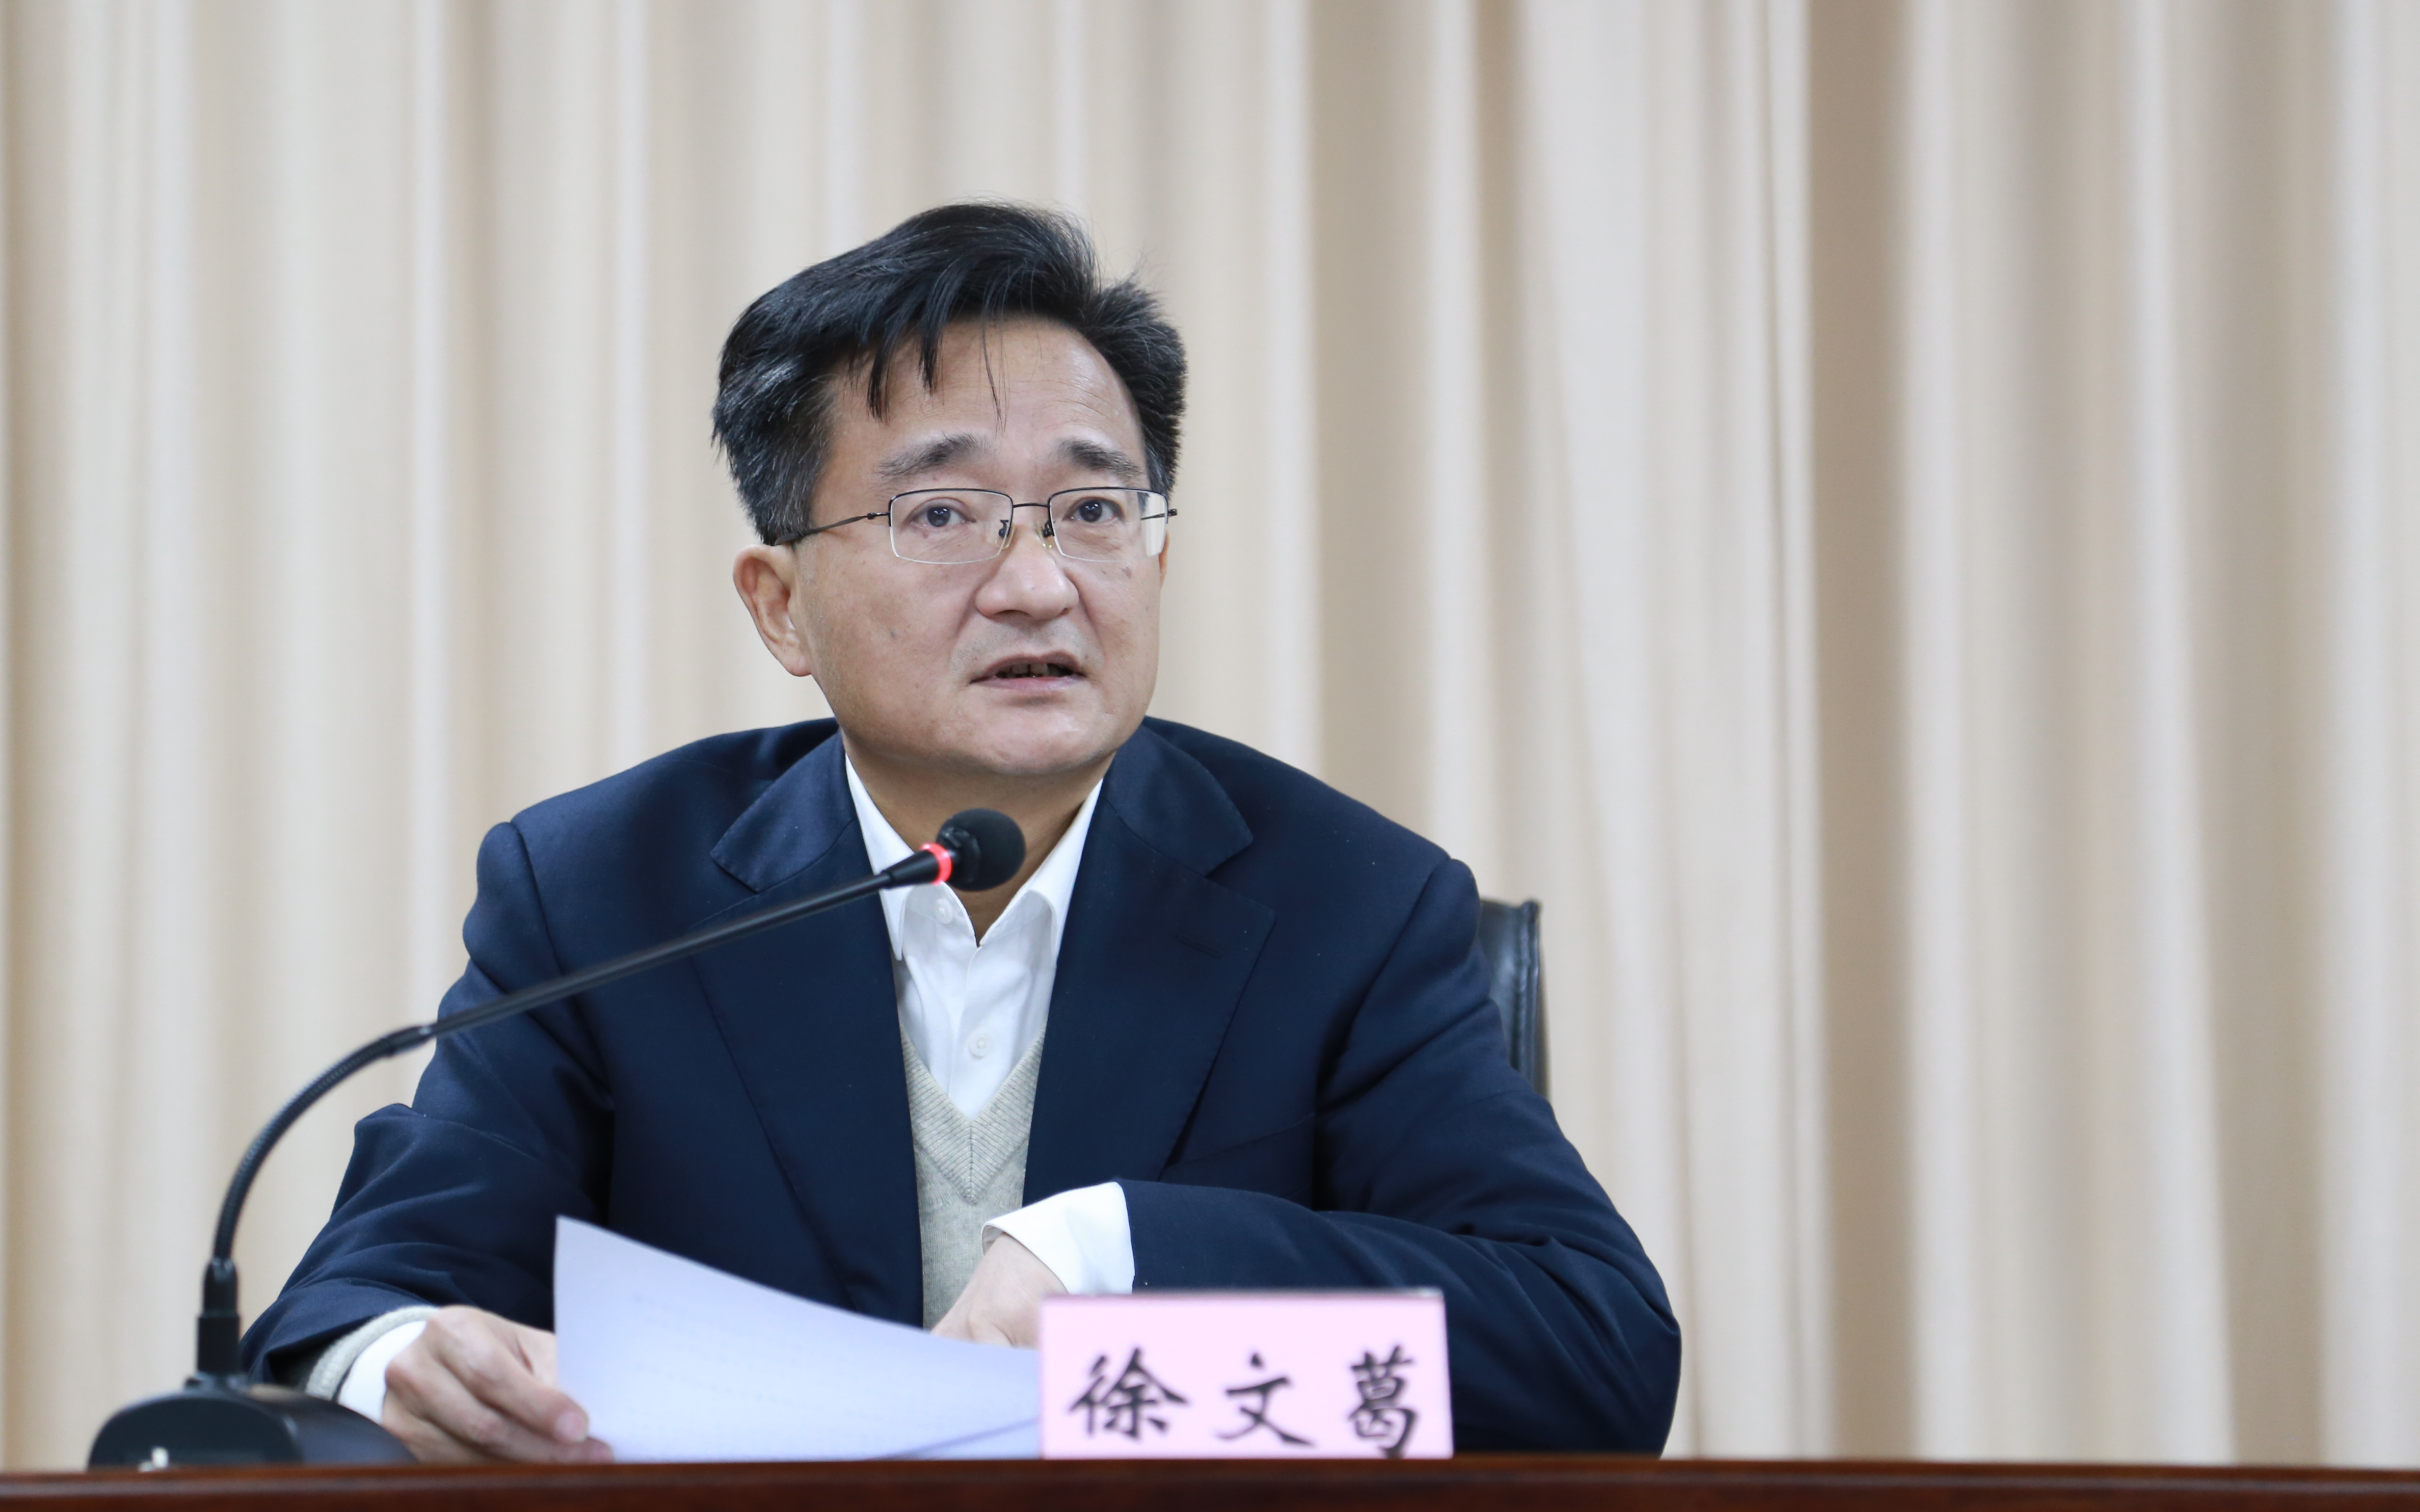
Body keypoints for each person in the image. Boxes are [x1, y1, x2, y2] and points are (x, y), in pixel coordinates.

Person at [240, 203, 1679, 1459]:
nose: (1040, 584)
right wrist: (408, 1366)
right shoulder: (606, 893)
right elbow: (360, 1298)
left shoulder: (1346, 905)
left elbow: (1594, 1355)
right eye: (942, 515)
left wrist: (1117, 1253)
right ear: (780, 607)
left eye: (1094, 508)